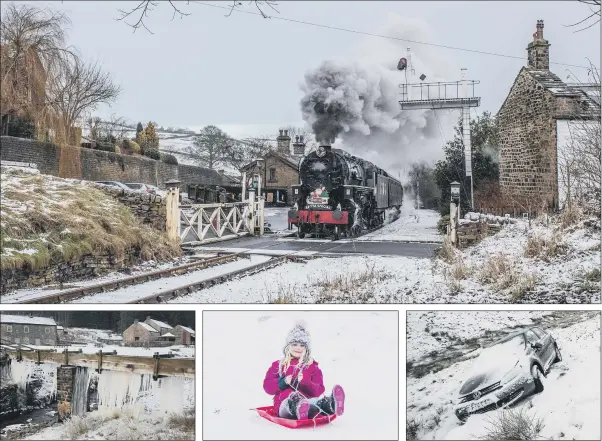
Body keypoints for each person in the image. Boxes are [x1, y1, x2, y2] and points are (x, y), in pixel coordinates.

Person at [263, 322, 345, 420]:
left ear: (306, 348)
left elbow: (318, 390)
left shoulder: (312, 366)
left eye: (302, 345)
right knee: (292, 402)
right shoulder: (279, 365)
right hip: (284, 406)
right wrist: (282, 382)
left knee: (314, 403)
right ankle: (297, 407)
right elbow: (267, 386)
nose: (298, 347)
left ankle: (330, 404)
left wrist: (305, 382)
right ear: (288, 346)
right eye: (294, 344)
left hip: (307, 403)